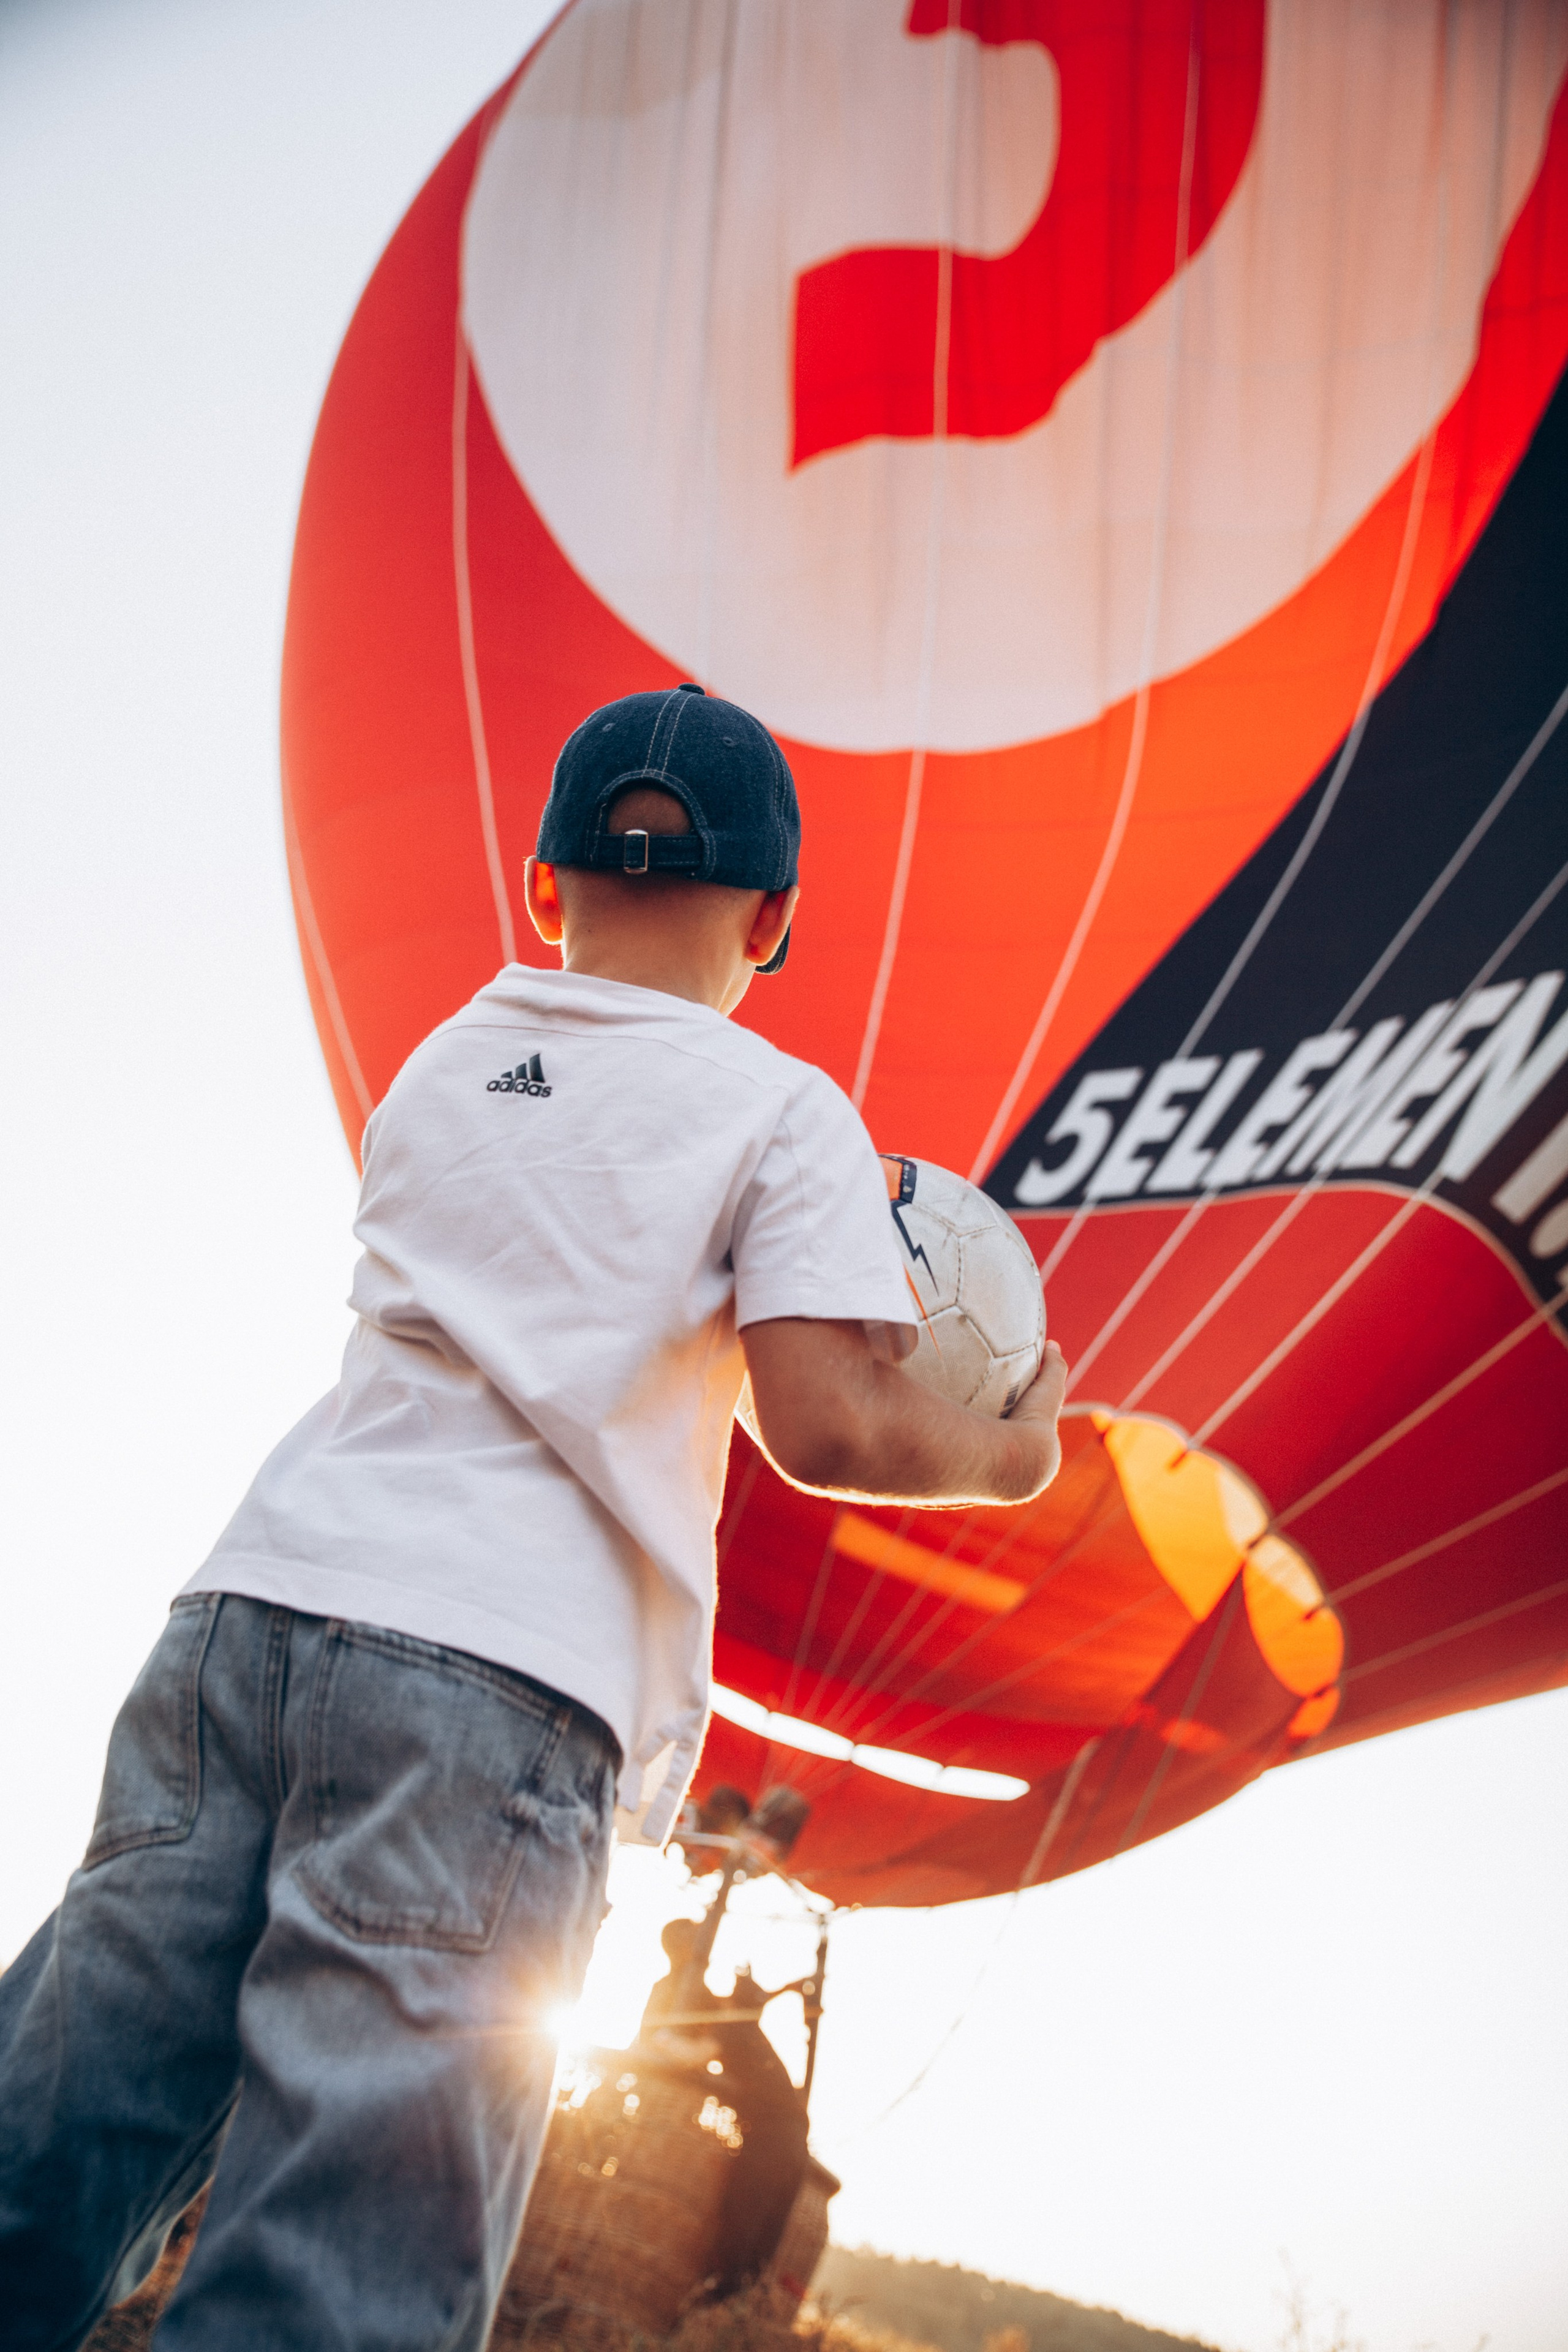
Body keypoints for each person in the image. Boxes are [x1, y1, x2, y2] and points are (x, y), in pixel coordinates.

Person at [0, 683, 1068, 2351]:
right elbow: (825, 1419)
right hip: (489, 1693)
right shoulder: (784, 1114)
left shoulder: (442, 1065)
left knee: (47, 2160)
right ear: (773, 917)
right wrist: (1013, 1454)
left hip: (240, 1627)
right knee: (331, 2274)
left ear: (539, 885)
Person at [638, 1929, 810, 2299]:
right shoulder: (750, 2032)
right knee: (765, 2234)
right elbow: (755, 2001)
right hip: (795, 2142)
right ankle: (734, 2303)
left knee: (741, 2218)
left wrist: (657, 2040)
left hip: (770, 2139)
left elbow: (692, 2055)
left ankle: (716, 2297)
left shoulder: (733, 2029)